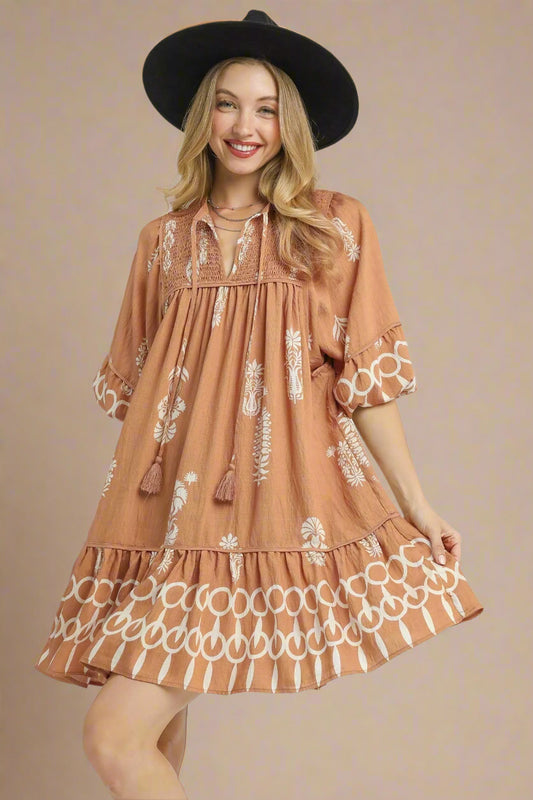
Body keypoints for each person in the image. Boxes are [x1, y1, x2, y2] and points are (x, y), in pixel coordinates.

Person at [34, 10, 484, 800]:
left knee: (115, 737)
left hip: (269, 514)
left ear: (291, 124)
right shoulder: (162, 243)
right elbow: (143, 397)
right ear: (201, 114)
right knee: (150, 741)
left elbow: (365, 381)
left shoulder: (332, 227)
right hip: (163, 521)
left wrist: (417, 504)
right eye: (229, 103)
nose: (247, 125)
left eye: (268, 107)